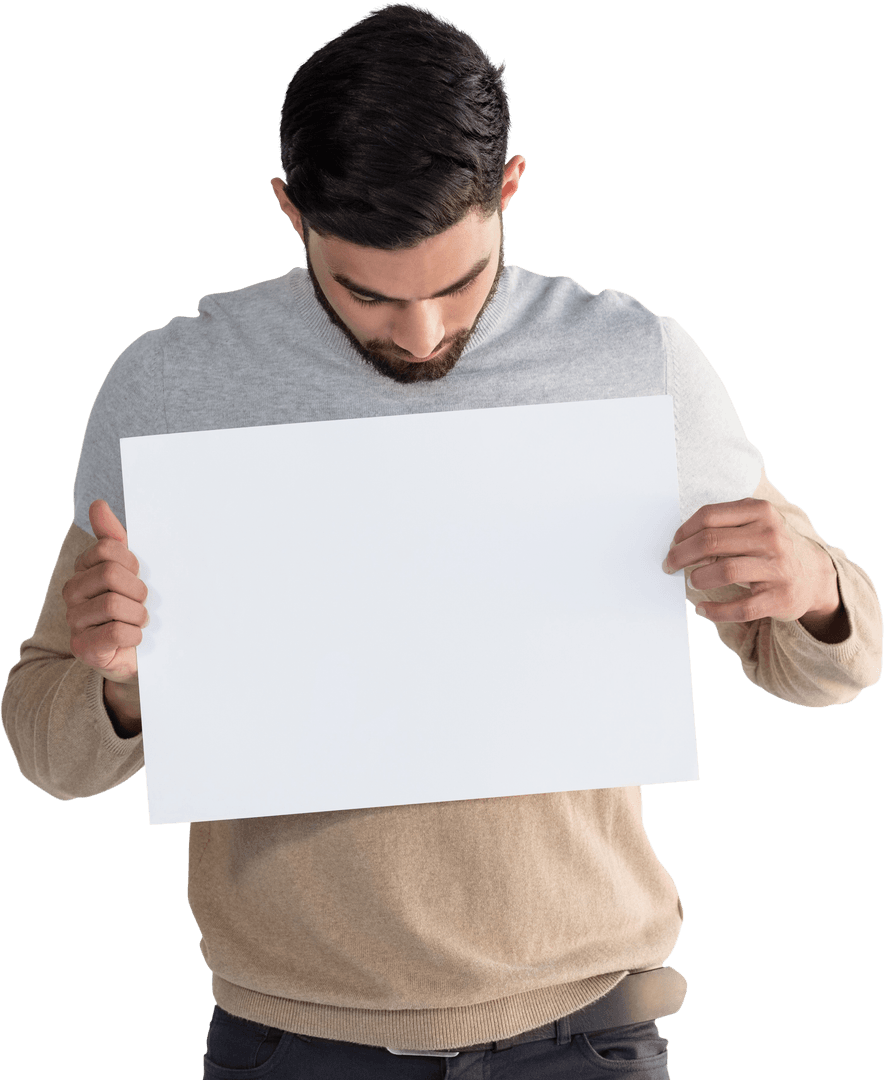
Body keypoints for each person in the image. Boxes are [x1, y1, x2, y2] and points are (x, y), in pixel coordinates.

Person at [3, 4, 881, 1078]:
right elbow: (49, 751)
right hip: (294, 1040)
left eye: (456, 284)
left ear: (508, 187)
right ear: (291, 213)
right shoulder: (171, 387)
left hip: (585, 1028)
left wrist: (812, 588)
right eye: (366, 293)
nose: (418, 334)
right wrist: (120, 684)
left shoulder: (629, 360)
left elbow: (830, 670)